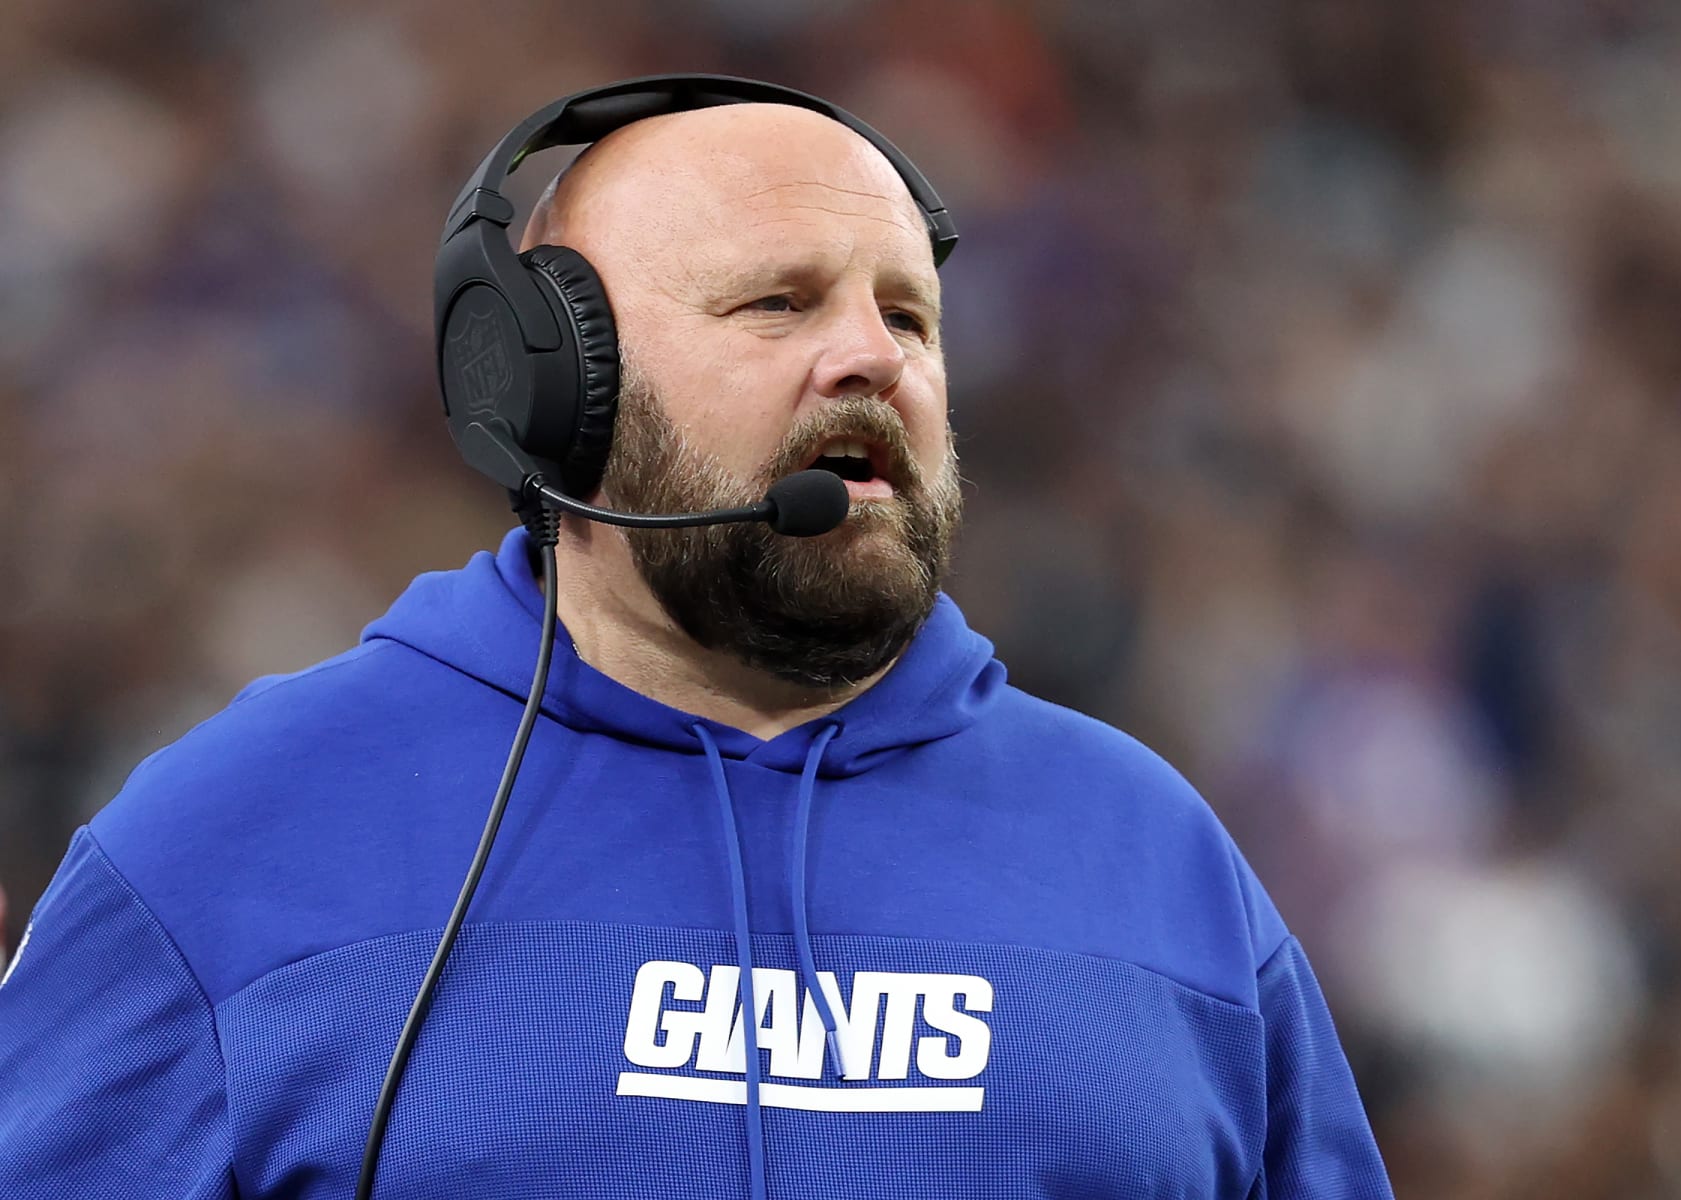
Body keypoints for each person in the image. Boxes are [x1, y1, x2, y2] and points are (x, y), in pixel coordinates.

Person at [0, 87, 1393, 1199]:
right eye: (777, 302)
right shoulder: (236, 839)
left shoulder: (1160, 865)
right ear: (557, 390)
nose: (875, 358)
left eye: (909, 315)